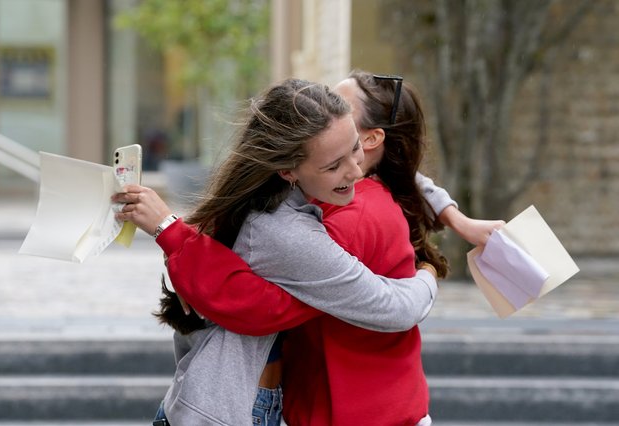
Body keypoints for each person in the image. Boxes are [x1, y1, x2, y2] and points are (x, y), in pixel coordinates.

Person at [139, 71, 504, 425]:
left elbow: (409, 178)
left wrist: (455, 217)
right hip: (229, 408)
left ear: (372, 139)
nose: (355, 172)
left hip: (218, 399)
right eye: (334, 165)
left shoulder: (290, 191)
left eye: (355, 148)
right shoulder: (297, 230)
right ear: (289, 170)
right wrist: (428, 271)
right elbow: (389, 307)